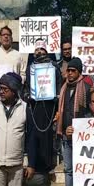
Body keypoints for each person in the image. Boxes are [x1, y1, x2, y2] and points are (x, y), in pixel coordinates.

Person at [56, 57, 91, 186]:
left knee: (83, 167)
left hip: (82, 138)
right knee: (69, 169)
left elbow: (91, 114)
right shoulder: (63, 88)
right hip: (65, 136)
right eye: (68, 70)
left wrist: (79, 128)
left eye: (73, 71)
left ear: (79, 72)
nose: (69, 73)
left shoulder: (86, 88)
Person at [25, 39, 62, 174]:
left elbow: (58, 84)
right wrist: (28, 95)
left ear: (46, 51)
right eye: (37, 50)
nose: (39, 52)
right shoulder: (31, 67)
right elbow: (27, 86)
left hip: (50, 105)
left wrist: (57, 98)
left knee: (48, 135)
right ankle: (36, 164)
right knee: (35, 134)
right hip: (35, 106)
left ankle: (48, 164)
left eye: (42, 49)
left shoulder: (53, 66)